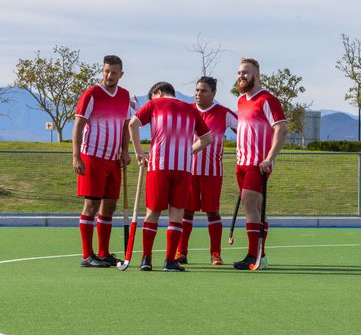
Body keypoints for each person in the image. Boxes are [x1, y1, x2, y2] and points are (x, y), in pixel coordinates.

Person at [128, 82, 211, 272]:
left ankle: (146, 259)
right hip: (183, 168)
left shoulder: (155, 104)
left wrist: (139, 153)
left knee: (153, 212)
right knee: (177, 213)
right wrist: (188, 151)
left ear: (157, 93)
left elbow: (133, 124)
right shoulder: (190, 109)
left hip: (159, 166)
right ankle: (169, 261)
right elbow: (207, 138)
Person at [72, 54, 134, 268]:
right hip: (92, 157)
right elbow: (78, 125)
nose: (109, 75)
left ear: (121, 74)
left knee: (109, 207)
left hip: (113, 160)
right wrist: (76, 156)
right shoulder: (92, 94)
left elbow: (127, 126)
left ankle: (103, 252)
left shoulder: (124, 96)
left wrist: (125, 151)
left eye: (114, 72)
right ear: (102, 71)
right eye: (106, 71)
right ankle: (87, 255)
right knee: (91, 205)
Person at [176, 76, 238, 265]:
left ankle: (215, 254)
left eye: (203, 91)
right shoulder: (187, 111)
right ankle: (181, 252)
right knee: (186, 211)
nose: (198, 94)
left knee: (213, 212)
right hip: (189, 171)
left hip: (213, 173)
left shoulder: (223, 113)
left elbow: (244, 130)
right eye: (196, 90)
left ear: (213, 94)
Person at [233, 58, 288, 270]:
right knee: (254, 207)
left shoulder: (267, 99)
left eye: (245, 72)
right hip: (242, 163)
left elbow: (281, 129)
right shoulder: (241, 101)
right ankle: (260, 256)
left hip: (258, 164)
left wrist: (270, 158)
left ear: (256, 75)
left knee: (248, 202)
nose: (241, 76)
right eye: (239, 73)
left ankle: (252, 254)